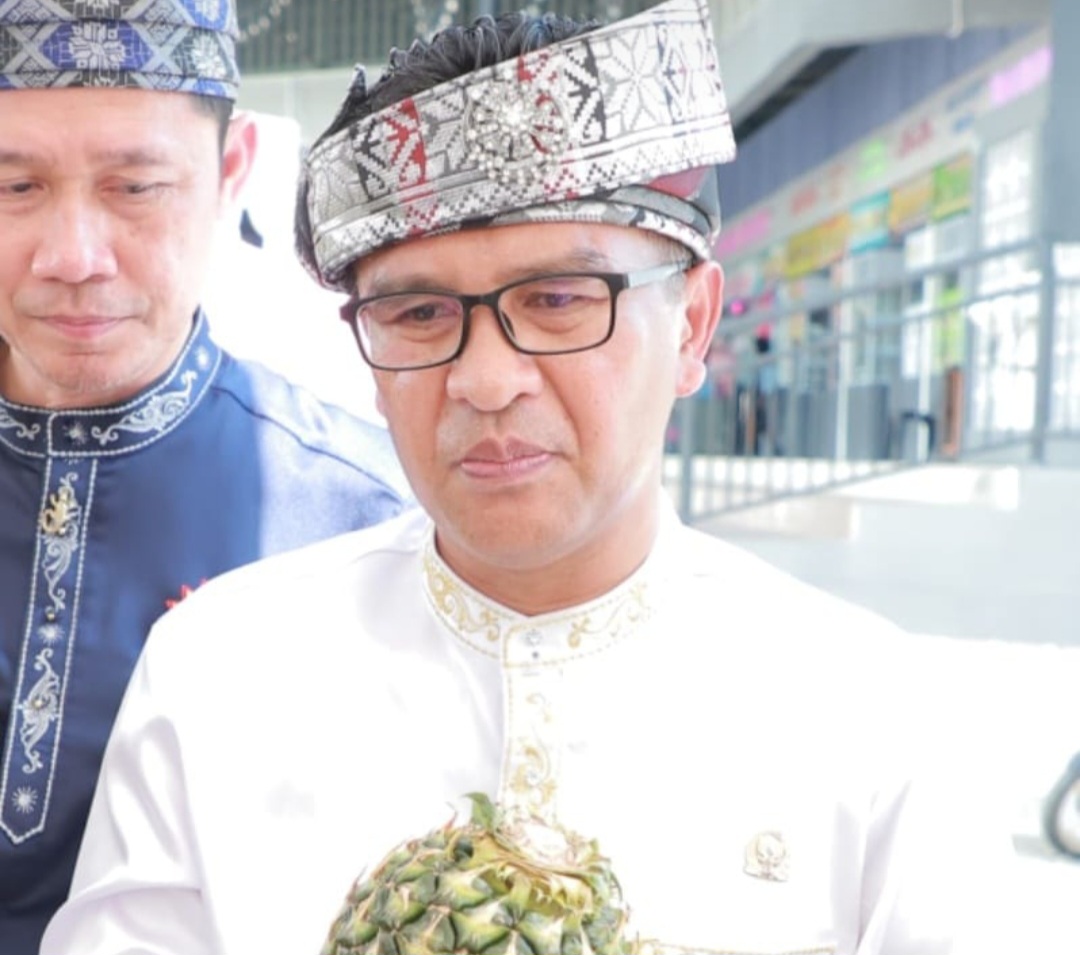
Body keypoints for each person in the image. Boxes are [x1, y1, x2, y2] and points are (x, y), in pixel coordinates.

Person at [42, 2, 1012, 954]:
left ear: (691, 325)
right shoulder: (220, 673)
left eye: (557, 299)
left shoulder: (875, 716)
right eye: (419, 314)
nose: (486, 379)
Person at [0, 2, 409, 951]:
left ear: (232, 172)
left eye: (136, 187)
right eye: (15, 186)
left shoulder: (371, 524)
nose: (72, 257)